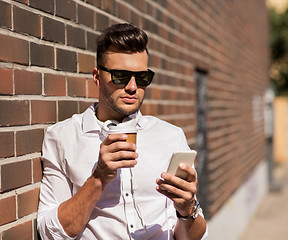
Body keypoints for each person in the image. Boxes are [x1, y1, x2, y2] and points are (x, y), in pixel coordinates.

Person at [38, 23, 207, 240]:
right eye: (120, 76)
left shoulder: (171, 136)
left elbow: (192, 236)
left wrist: (187, 210)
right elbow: (50, 233)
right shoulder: (62, 137)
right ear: (97, 77)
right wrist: (98, 178)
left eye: (142, 77)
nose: (132, 87)